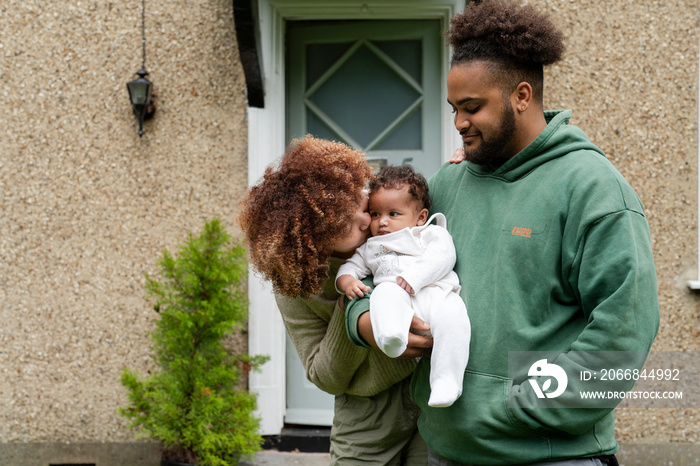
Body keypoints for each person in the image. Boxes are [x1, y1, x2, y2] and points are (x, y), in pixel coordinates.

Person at [347, 1, 660, 464]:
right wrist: (363, 320)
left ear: (521, 95)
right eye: (454, 109)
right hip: (446, 451)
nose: (458, 123)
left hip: (552, 456)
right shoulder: (448, 183)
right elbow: (381, 259)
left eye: (472, 108)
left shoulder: (593, 191)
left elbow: (624, 333)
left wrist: (518, 406)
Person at [238, 135, 432, 465]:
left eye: (362, 206)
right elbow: (324, 375)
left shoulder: (395, 220)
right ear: (313, 240)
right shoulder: (296, 285)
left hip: (432, 395)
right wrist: (351, 316)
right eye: (344, 224)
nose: (368, 223)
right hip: (365, 418)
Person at [335, 165, 470, 408]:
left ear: (420, 216)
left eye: (393, 214)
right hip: (397, 296)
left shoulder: (427, 233)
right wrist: (349, 282)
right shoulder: (370, 247)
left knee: (454, 319)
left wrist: (416, 276)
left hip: (435, 294)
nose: (382, 222)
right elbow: (349, 268)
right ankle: (391, 335)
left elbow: (444, 255)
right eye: (375, 214)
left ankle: (446, 382)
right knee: (383, 293)